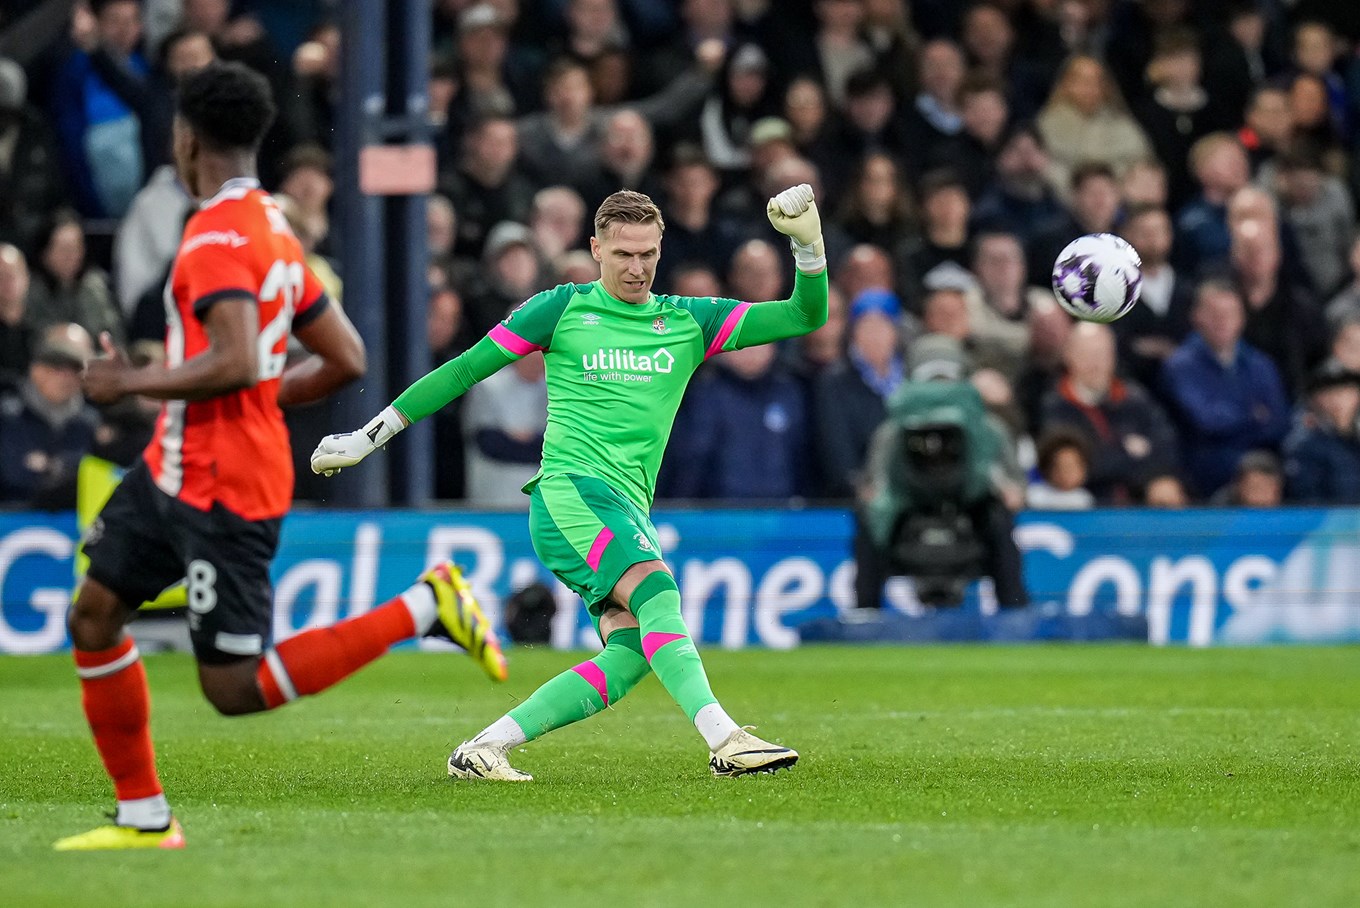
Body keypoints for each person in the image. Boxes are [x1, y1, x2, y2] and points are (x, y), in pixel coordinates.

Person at [55, 63, 505, 852]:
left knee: (233, 688)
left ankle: (425, 606)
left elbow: (232, 358)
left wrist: (134, 381)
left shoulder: (217, 238)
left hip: (226, 487)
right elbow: (345, 357)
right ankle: (143, 818)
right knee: (95, 614)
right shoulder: (272, 227)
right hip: (172, 469)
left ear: (185, 140)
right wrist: (260, 392)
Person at [312, 184, 831, 779]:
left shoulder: (689, 320)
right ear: (595, 249)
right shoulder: (559, 309)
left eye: (647, 255)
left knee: (634, 653)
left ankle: (484, 748)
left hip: (627, 509)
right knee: (657, 589)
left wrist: (808, 245)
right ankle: (725, 738)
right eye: (623, 255)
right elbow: (462, 371)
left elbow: (805, 315)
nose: (636, 269)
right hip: (569, 495)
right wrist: (367, 437)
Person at [1162, 279, 1290, 498]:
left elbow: (1278, 422)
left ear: (1242, 318)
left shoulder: (1260, 364)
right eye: (1214, 313)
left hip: (1261, 462)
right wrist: (1254, 415)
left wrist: (1236, 418)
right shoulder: (1180, 365)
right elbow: (1207, 421)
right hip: (1207, 468)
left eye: (1230, 313)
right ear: (1197, 316)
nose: (1222, 321)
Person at [0, 323, 99, 507]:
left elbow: (95, 479)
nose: (67, 378)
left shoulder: (89, 421)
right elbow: (14, 475)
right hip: (12, 522)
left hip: (72, 524)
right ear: (36, 370)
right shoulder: (8, 416)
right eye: (58, 369)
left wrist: (50, 465)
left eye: (75, 370)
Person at [1282, 360, 1360, 504]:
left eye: (1345, 391)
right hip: (1332, 524)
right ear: (1315, 400)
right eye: (1329, 393)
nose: (1338, 400)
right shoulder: (1305, 446)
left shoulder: (1356, 441)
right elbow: (1307, 500)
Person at [1027, 427, 1095, 511]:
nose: (1066, 474)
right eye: (1060, 467)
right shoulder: (1034, 498)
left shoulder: (1085, 499)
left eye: (1071, 467)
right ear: (1046, 468)